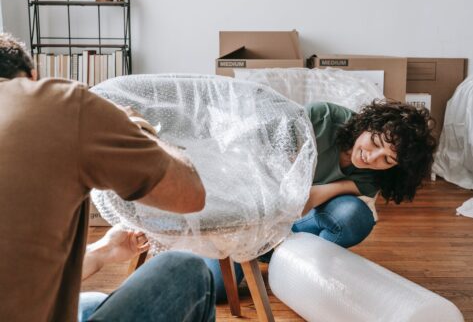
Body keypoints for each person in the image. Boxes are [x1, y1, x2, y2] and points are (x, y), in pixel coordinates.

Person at [0, 33, 215, 322]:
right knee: (186, 269)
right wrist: (135, 125)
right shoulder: (59, 102)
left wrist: (103, 251)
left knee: (92, 302)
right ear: (32, 76)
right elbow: (190, 194)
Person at [204, 99, 437, 302]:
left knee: (354, 216)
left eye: (387, 159)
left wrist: (305, 198)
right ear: (369, 125)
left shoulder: (377, 175)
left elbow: (312, 197)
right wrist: (258, 225)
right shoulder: (322, 117)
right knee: (216, 290)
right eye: (375, 144)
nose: (372, 158)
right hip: (256, 210)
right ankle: (254, 250)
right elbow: (266, 171)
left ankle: (291, 265)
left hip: (298, 223)